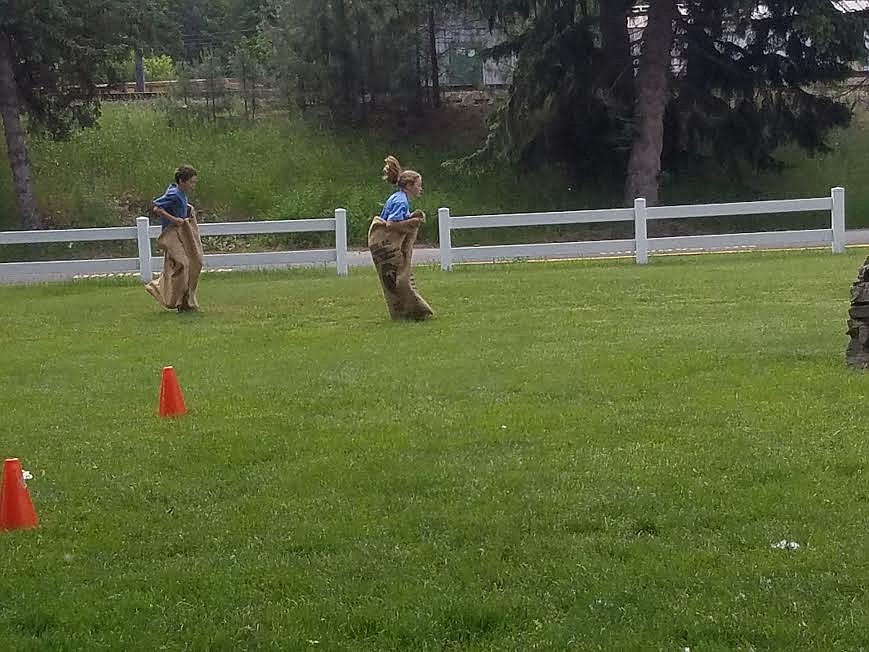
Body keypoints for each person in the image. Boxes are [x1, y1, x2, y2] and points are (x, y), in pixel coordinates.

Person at [367, 156, 433, 320]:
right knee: (402, 279)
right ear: (409, 186)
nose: (420, 189)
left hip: (383, 246)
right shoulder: (401, 201)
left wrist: (411, 216)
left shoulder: (397, 198)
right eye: (418, 185)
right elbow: (390, 225)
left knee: (395, 280)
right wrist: (412, 221)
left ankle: (403, 312)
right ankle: (416, 310)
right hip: (388, 245)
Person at [145, 165, 204, 312]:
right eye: (191, 182)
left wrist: (187, 208)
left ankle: (185, 302)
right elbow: (156, 207)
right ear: (182, 181)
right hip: (171, 234)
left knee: (192, 263)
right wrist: (174, 219)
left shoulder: (181, 194)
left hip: (181, 232)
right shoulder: (174, 194)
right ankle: (159, 288)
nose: (193, 185)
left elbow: (178, 205)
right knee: (183, 263)